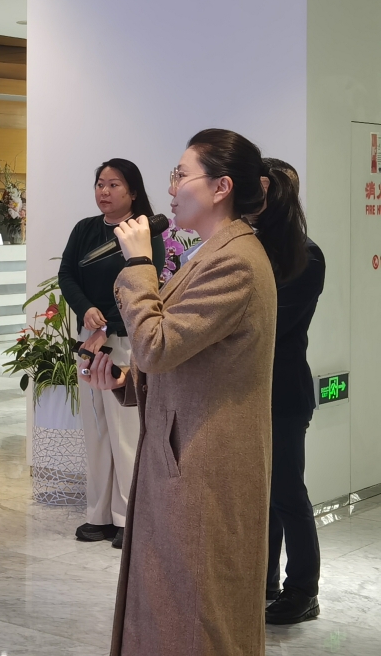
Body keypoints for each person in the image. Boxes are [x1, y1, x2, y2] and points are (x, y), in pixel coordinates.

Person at [84, 129, 307, 656]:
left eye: (181, 175)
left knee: (196, 617)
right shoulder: (212, 253)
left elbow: (157, 345)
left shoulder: (235, 261)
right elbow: (189, 355)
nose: (171, 188)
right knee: (171, 610)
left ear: (221, 187)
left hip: (205, 467)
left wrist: (138, 265)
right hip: (184, 456)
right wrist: (124, 381)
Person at [58, 159, 164, 549]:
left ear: (132, 192)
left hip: (125, 341)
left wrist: (108, 325)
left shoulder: (143, 232)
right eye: (100, 184)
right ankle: (98, 515)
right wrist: (86, 309)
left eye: (114, 184)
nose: (104, 191)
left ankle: (126, 518)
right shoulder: (85, 229)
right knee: (97, 430)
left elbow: (145, 286)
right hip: (89, 341)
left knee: (124, 432)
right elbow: (67, 274)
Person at [258, 158, 324, 625]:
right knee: (262, 496)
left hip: (283, 392)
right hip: (248, 391)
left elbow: (269, 323)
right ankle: (263, 581)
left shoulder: (306, 255)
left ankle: (303, 589)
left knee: (285, 493)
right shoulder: (249, 247)